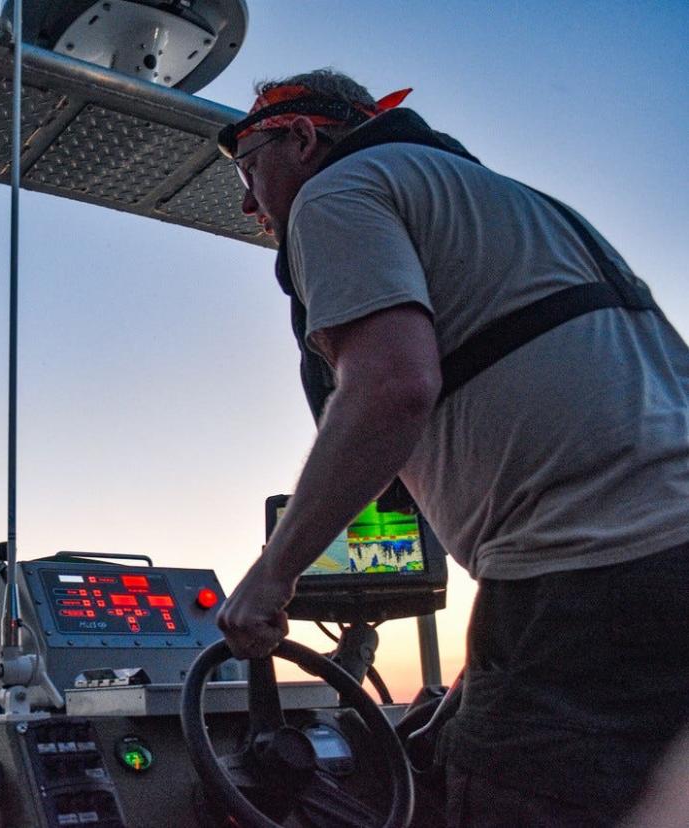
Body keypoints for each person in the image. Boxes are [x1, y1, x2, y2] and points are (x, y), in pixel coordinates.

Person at [213, 70, 689, 825]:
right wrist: (476, 687)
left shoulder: (336, 193)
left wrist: (273, 576)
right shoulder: (520, 203)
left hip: (591, 571)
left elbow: (391, 389)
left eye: (247, 165)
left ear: (301, 138)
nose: (247, 201)